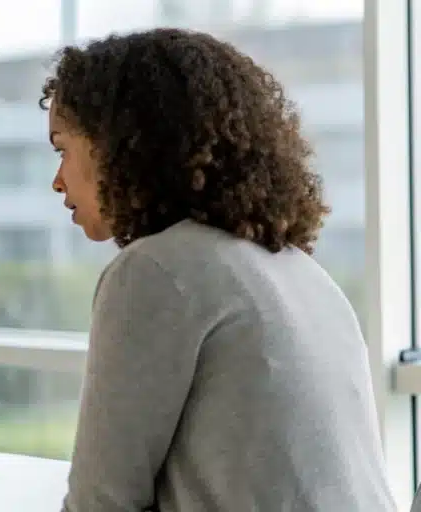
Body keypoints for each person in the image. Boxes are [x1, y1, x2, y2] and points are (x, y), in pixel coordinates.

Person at [42, 28, 396, 511]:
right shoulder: (301, 272)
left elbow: (101, 503)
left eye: (63, 148)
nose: (57, 181)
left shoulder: (155, 270)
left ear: (124, 143)